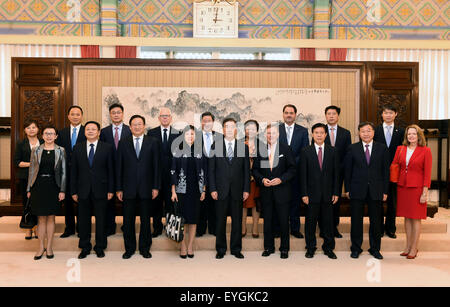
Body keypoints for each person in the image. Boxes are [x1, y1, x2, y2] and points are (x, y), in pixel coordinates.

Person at [116, 115, 161, 259]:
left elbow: (156, 166)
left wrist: (156, 187)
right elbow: (119, 167)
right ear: (130, 127)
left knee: (146, 220)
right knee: (128, 221)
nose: (137, 127)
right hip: (127, 188)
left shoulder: (153, 142)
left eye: (139, 124)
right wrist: (119, 188)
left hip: (147, 188)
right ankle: (129, 249)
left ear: (144, 126)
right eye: (134, 125)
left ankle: (145, 248)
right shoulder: (123, 142)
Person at [344, 122, 390, 260]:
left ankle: (375, 248)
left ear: (373, 132)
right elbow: (347, 171)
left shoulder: (382, 148)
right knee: (356, 221)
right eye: (363, 131)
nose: (366, 133)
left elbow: (386, 171)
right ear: (359, 133)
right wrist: (347, 189)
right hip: (357, 189)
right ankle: (356, 248)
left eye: (368, 130)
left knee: (376, 221)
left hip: (376, 190)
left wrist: (385, 191)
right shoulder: (352, 148)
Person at [71, 121, 115, 259]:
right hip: (82, 190)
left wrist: (111, 190)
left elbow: (111, 171)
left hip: (101, 189)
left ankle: (100, 247)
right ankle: (85, 247)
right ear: (85, 132)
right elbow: (74, 171)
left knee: (101, 220)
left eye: (93, 129)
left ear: (99, 132)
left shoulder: (107, 147)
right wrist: (73, 191)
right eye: (88, 129)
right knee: (83, 221)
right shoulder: (77, 148)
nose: (90, 131)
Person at [252, 123, 296, 259]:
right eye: (269, 133)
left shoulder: (285, 149)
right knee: (268, 222)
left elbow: (292, 169)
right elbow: (255, 170)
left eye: (273, 133)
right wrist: (262, 179)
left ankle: (284, 249)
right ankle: (268, 247)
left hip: (282, 191)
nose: (271, 136)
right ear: (266, 135)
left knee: (283, 221)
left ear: (278, 135)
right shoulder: (261, 150)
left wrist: (281, 179)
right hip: (266, 192)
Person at [209, 118, 250, 259]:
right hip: (220, 191)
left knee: (237, 222)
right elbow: (211, 170)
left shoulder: (243, 147)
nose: (230, 129)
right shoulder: (216, 146)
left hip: (237, 191)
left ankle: (236, 249)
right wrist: (212, 189)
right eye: (227, 127)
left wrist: (246, 189)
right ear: (223, 130)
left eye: (232, 127)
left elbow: (246, 171)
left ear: (236, 130)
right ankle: (220, 249)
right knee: (220, 222)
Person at [300, 123, 340, 259]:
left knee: (328, 223)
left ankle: (329, 248)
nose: (319, 135)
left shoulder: (333, 151)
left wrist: (336, 192)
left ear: (325, 135)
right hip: (311, 195)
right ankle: (310, 247)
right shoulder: (306, 151)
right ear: (312, 134)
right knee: (310, 223)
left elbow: (336, 174)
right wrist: (304, 193)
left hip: (328, 194)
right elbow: (303, 175)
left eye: (321, 133)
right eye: (316, 133)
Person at [27, 126, 66, 260]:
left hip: (54, 187)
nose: (49, 136)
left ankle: (49, 247)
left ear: (56, 136)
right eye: (46, 133)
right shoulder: (36, 150)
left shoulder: (61, 150)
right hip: (38, 186)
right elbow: (31, 171)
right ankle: (40, 247)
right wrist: (29, 189)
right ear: (42, 136)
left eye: (52, 134)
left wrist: (62, 190)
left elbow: (63, 172)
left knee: (51, 217)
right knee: (41, 218)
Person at [393, 125, 432, 259]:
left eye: (414, 134)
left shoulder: (426, 151)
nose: (411, 136)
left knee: (415, 219)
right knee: (406, 218)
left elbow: (427, 174)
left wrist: (424, 192)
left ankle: (414, 248)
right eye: (409, 134)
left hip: (417, 189)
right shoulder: (400, 149)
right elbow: (395, 165)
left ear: (419, 135)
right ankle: (408, 246)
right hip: (403, 187)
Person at [170, 126, 206, 258]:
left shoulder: (200, 152)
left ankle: (190, 246)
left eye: (192, 134)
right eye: (187, 135)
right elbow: (172, 172)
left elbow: (204, 171)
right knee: (182, 220)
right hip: (181, 191)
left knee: (193, 220)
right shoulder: (177, 151)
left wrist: (203, 189)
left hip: (195, 191)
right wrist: (173, 191)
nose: (190, 137)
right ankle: (183, 246)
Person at [147, 107, 181, 238]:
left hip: (172, 175)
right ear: (159, 118)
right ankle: (156, 228)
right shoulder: (151, 133)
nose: (165, 118)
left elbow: (179, 156)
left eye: (167, 116)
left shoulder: (178, 134)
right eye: (162, 116)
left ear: (171, 118)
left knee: (170, 203)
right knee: (155, 203)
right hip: (155, 174)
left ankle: (170, 228)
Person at [100, 103, 132, 236]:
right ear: (110, 115)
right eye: (113, 112)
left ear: (123, 114)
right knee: (109, 199)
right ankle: (110, 226)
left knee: (126, 199)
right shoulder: (104, 131)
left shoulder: (129, 130)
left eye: (118, 112)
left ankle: (127, 225)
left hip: (126, 170)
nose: (116, 115)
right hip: (108, 170)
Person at [374, 104, 405, 239]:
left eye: (391, 113)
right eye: (385, 113)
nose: (388, 115)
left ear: (396, 114)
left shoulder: (401, 131)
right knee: (378, 200)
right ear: (382, 114)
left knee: (393, 200)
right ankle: (379, 228)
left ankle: (391, 228)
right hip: (378, 172)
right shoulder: (375, 130)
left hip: (395, 171)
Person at [278, 104, 309, 239]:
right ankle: (279, 228)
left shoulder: (302, 131)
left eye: (291, 113)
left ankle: (295, 229)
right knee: (280, 202)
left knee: (295, 201)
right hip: (279, 173)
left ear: (295, 115)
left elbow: (304, 151)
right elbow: (273, 150)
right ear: (283, 114)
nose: (289, 115)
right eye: (286, 112)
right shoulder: (276, 130)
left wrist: (292, 164)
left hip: (296, 173)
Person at [56, 105, 86, 238]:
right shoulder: (61, 133)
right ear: (68, 116)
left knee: (82, 200)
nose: (75, 116)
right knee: (67, 201)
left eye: (78, 114)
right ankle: (69, 228)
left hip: (83, 173)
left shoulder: (88, 131)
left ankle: (81, 228)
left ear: (82, 116)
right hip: (66, 172)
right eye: (72, 114)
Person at [322, 105, 351, 238]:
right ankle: (323, 228)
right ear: (326, 116)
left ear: (338, 116)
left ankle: (334, 227)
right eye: (329, 114)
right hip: (322, 173)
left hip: (338, 173)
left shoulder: (345, 133)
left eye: (334, 114)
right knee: (323, 201)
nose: (331, 116)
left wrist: (342, 170)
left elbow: (347, 154)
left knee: (335, 201)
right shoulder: (320, 131)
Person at [14, 120, 43, 240]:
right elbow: (17, 162)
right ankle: (28, 228)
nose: (31, 129)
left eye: (34, 127)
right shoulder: (21, 144)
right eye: (28, 127)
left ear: (38, 129)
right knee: (27, 202)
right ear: (25, 130)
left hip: (41, 178)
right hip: (25, 177)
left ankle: (37, 227)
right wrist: (32, 164)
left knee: (38, 203)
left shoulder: (43, 142)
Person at [196, 112, 221, 237]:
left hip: (215, 176)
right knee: (200, 203)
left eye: (209, 121)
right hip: (198, 175)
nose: (206, 123)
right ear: (201, 122)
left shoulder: (220, 137)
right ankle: (200, 229)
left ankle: (213, 228)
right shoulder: (194, 136)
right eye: (204, 121)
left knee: (214, 203)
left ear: (213, 122)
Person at [242, 120, 261, 238]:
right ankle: (243, 227)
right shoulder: (239, 143)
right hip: (242, 178)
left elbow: (265, 162)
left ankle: (255, 228)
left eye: (253, 128)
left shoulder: (262, 145)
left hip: (257, 179)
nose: (250, 131)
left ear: (257, 131)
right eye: (248, 128)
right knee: (242, 203)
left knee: (256, 203)